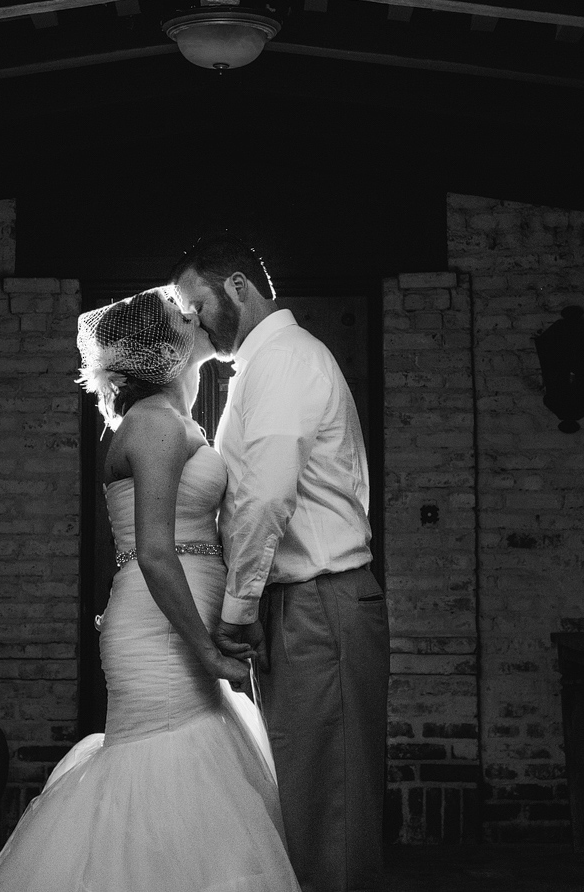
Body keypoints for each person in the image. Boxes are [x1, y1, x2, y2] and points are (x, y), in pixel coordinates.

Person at [0, 287, 298, 892]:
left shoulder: (175, 421)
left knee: (194, 778)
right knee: (159, 769)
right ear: (163, 348)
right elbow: (154, 550)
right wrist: (205, 649)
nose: (195, 316)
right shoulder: (152, 424)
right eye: (183, 316)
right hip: (158, 632)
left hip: (179, 623)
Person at [170, 234, 388, 892]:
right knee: (305, 794)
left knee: (332, 804)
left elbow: (266, 496)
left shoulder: (287, 361)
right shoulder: (262, 368)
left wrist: (238, 608)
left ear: (237, 286)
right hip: (299, 604)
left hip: (321, 602)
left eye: (196, 302)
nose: (193, 319)